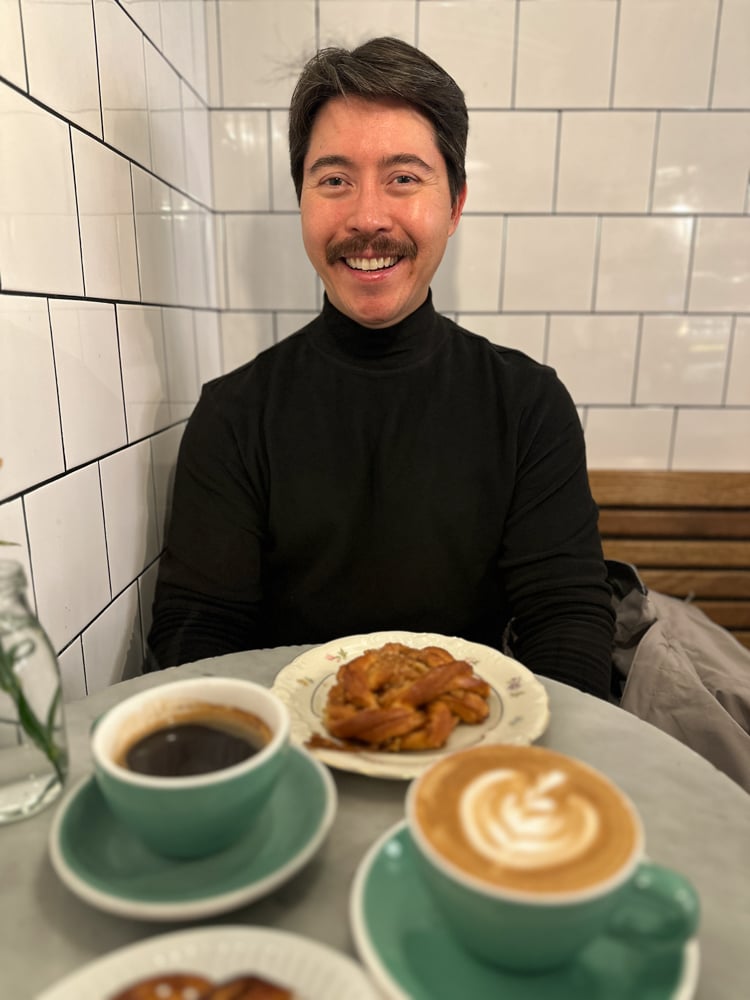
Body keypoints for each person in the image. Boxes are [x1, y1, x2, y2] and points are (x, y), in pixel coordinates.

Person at [147, 36, 615, 698]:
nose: (367, 218)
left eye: (403, 178)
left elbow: (565, 619)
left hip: (478, 738)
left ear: (454, 204)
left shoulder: (528, 405)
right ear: (303, 200)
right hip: (290, 743)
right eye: (335, 180)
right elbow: (197, 632)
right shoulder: (234, 414)